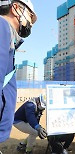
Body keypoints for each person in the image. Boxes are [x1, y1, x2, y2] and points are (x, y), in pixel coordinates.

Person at [0, 0, 37, 143]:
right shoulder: (2, 27)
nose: (31, 23)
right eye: (30, 16)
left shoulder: (7, 34)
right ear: (15, 8)